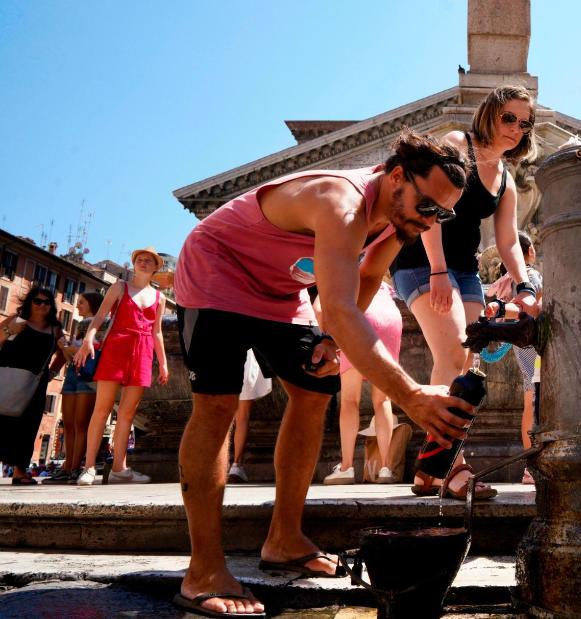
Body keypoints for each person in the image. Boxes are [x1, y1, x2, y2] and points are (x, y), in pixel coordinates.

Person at [168, 130, 474, 618]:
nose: (431, 219)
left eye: (443, 213)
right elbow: (335, 305)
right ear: (397, 176)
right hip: (217, 270)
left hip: (280, 290)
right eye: (428, 205)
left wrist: (331, 338)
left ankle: (284, 538)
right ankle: (203, 569)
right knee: (218, 405)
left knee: (314, 390)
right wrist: (413, 395)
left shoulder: (399, 218)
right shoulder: (341, 201)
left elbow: (369, 275)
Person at [390, 86, 539, 500]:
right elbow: (432, 206)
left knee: (468, 365)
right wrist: (437, 269)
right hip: (423, 258)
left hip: (464, 269)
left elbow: (509, 241)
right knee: (452, 354)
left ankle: (429, 468)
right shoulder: (458, 144)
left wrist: (524, 285)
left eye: (524, 123)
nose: (516, 129)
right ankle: (453, 467)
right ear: (489, 113)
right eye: (510, 118)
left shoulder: (507, 177)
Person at [74, 248, 168, 486]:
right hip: (117, 347)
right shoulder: (119, 287)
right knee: (101, 409)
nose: (144, 262)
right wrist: (88, 339)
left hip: (143, 352)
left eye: (149, 261)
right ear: (134, 264)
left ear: (156, 267)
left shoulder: (160, 298)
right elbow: (100, 317)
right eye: (140, 259)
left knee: (127, 414)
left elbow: (157, 332)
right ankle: (89, 467)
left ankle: (119, 469)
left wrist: (164, 364)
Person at [322, 281, 403, 485]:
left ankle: (346, 467)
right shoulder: (384, 281)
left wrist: (326, 340)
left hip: (361, 316)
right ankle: (386, 467)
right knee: (382, 400)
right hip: (391, 319)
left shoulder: (339, 269)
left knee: (350, 401)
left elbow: (318, 308)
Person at [485, 231, 543, 485]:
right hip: (538, 344)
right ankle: (535, 466)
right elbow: (532, 307)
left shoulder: (506, 281)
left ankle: (530, 466)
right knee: (536, 402)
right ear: (529, 252)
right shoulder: (529, 276)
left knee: (529, 399)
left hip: (523, 345)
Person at [0, 286, 66, 485]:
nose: (42, 305)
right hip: (6, 376)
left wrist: (52, 373)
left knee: (28, 426)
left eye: (47, 302)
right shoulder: (16, 320)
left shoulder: (55, 329)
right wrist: (8, 330)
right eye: (38, 301)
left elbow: (64, 353)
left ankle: (20, 471)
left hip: (35, 384)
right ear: (29, 302)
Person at [46, 292, 105, 484]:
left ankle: (75, 467)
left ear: (92, 305)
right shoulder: (77, 327)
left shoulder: (98, 326)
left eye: (81, 302)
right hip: (72, 374)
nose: (77, 305)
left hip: (87, 375)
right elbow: (70, 355)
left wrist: (66, 347)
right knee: (68, 424)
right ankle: (67, 466)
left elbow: (89, 352)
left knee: (81, 424)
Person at [228, 349, 272, 484]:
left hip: (224, 356)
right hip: (246, 356)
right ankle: (236, 465)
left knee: (222, 417)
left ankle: (222, 464)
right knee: (242, 416)